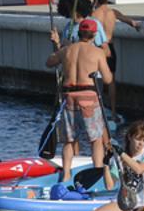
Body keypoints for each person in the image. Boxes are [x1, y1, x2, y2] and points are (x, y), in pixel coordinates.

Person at [47, 17, 113, 185]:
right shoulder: (97, 52)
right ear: (94, 34)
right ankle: (97, 173)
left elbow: (49, 62)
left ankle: (67, 174)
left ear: (79, 32)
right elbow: (107, 79)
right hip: (88, 97)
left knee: (69, 140)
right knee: (96, 139)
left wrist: (56, 45)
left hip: (69, 97)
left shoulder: (67, 50)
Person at [83, 120, 144, 211]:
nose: (141, 144)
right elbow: (110, 186)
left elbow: (139, 169)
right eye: (138, 139)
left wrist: (121, 153)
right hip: (126, 202)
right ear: (130, 137)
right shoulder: (118, 158)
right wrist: (106, 163)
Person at [91, 0, 140, 113]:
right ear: (107, 0)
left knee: (96, 79)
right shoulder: (113, 12)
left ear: (96, 0)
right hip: (110, 48)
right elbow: (131, 22)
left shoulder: (94, 14)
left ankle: (97, 109)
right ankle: (113, 112)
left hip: (98, 48)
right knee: (112, 80)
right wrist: (136, 25)